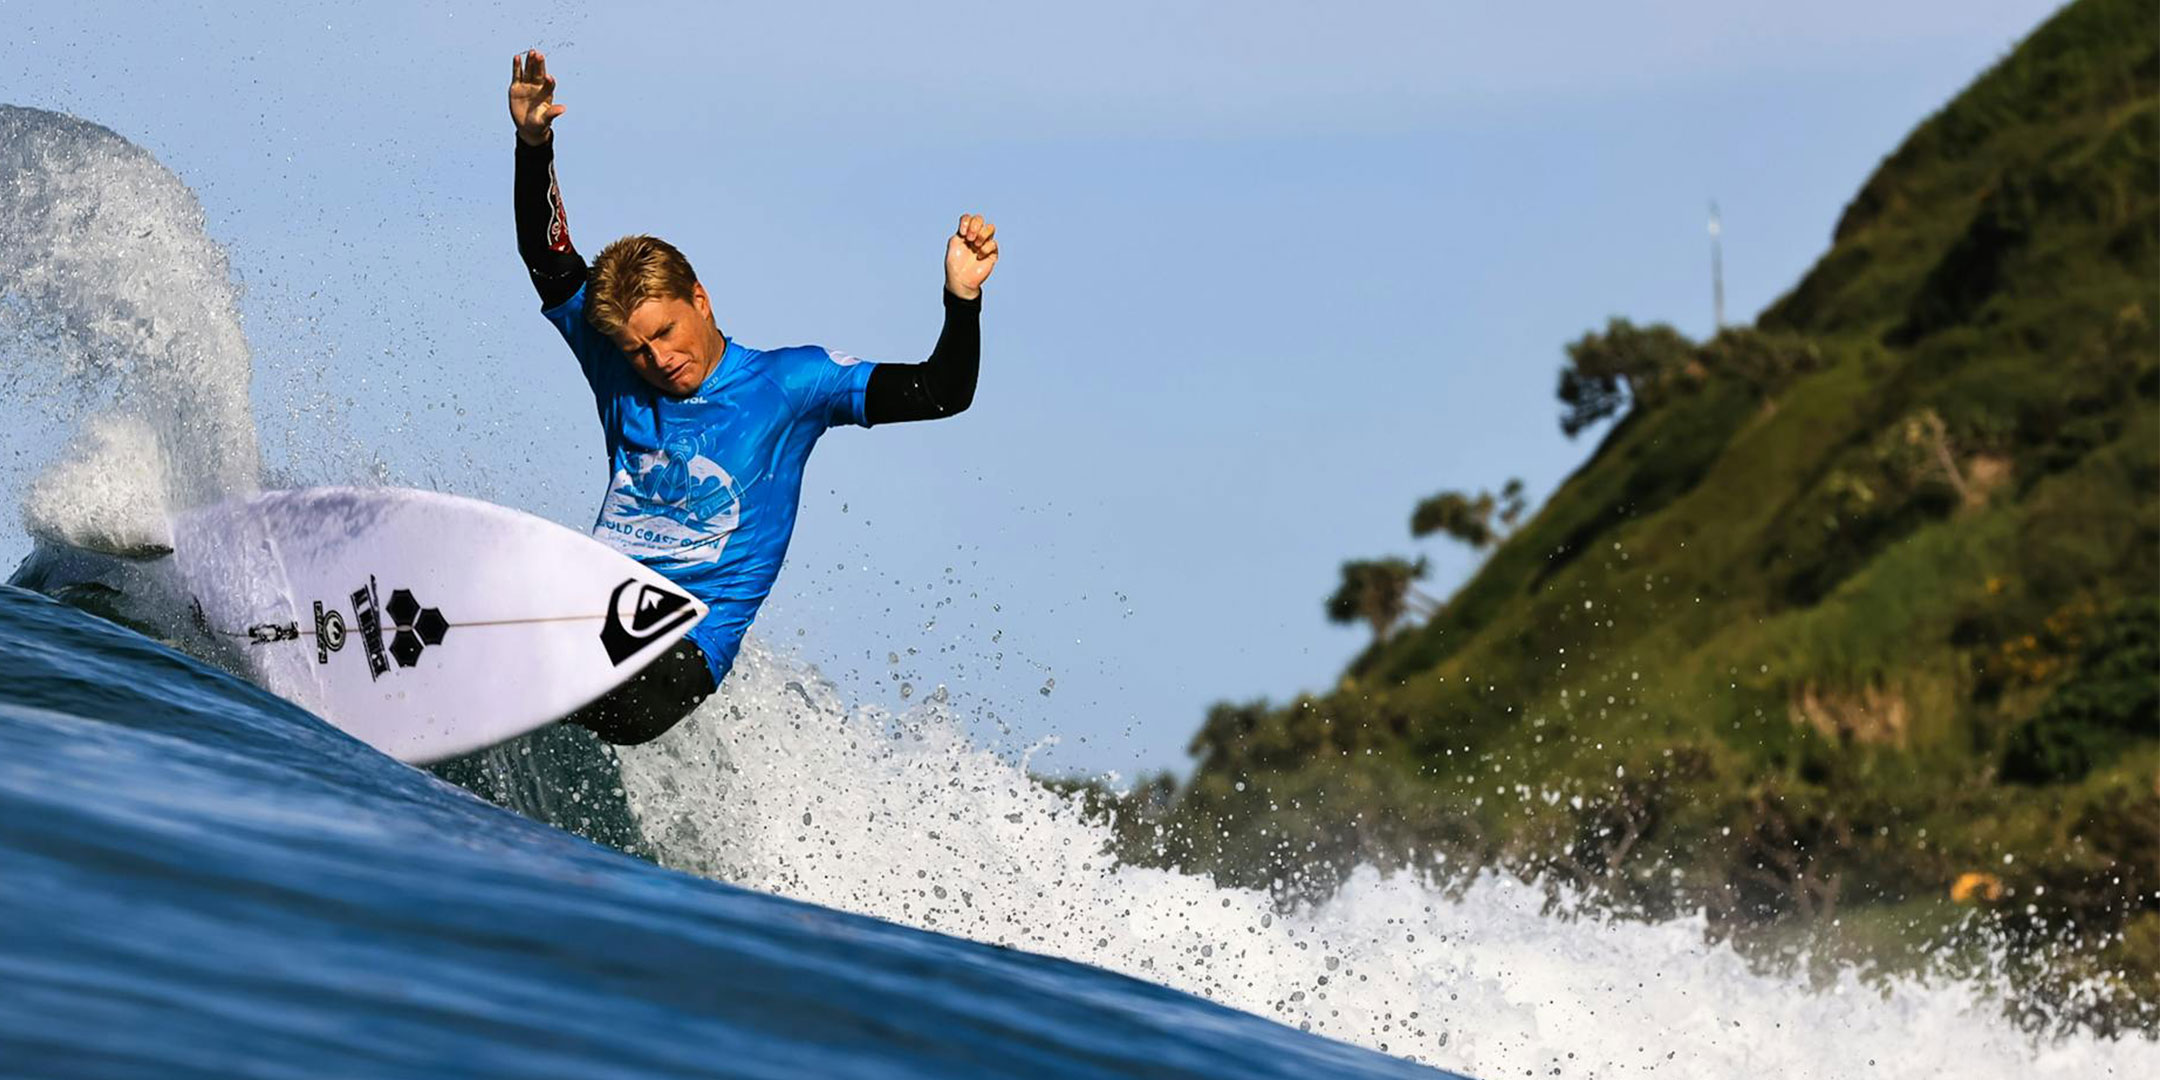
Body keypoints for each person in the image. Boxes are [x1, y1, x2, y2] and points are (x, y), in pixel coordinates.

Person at [506, 50, 996, 744]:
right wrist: (535, 145)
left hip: (679, 655)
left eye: (666, 333)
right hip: (594, 609)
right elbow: (550, 261)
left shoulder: (789, 385)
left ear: (699, 300)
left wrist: (962, 298)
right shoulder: (618, 363)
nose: (658, 359)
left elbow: (942, 392)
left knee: (556, 666)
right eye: (638, 350)